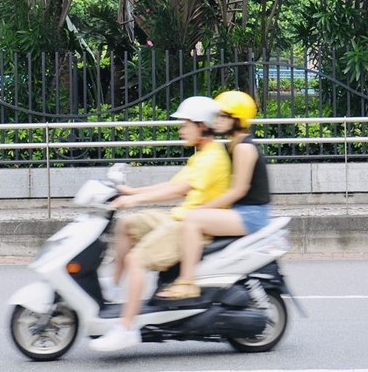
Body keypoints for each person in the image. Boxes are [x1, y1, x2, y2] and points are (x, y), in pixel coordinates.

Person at [88, 95, 231, 352]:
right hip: (179, 216)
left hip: (191, 227)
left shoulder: (212, 158)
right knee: (126, 226)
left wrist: (135, 200)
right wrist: (131, 192)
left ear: (202, 125)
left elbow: (178, 191)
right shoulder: (201, 155)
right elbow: (171, 185)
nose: (180, 130)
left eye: (185, 124)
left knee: (137, 260)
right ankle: (112, 287)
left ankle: (127, 328)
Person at [155, 90, 272, 300]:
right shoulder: (234, 145)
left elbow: (238, 190)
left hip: (251, 215)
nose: (217, 121)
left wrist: (202, 209)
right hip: (243, 212)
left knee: (192, 220)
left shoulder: (244, 148)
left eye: (223, 116)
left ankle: (187, 282)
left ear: (237, 119)